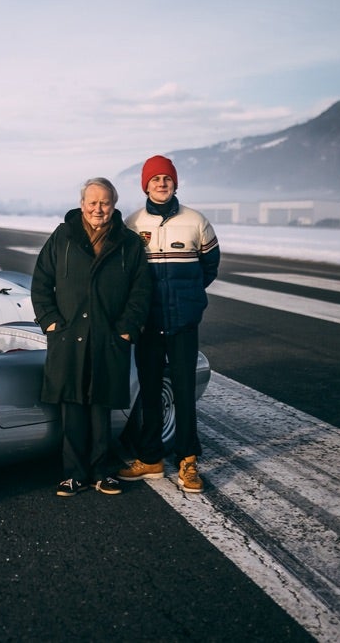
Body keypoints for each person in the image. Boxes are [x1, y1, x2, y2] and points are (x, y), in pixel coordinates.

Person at [31, 178, 151, 497]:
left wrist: (127, 328)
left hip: (108, 336)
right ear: (82, 203)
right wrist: (51, 323)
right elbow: (41, 281)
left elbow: (141, 291)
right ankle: (73, 474)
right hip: (69, 337)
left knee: (101, 404)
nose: (99, 209)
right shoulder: (63, 237)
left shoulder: (128, 242)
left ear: (114, 205)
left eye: (105, 202)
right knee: (72, 405)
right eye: (93, 202)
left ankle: (101, 472)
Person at [118, 156, 219, 493]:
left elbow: (209, 265)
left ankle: (188, 461)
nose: (161, 184)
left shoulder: (195, 221)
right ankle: (151, 458)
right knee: (148, 392)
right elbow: (127, 272)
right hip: (148, 324)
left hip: (182, 324)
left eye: (167, 178)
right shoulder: (133, 224)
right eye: (155, 179)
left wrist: (189, 298)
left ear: (175, 183)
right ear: (145, 185)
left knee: (183, 392)